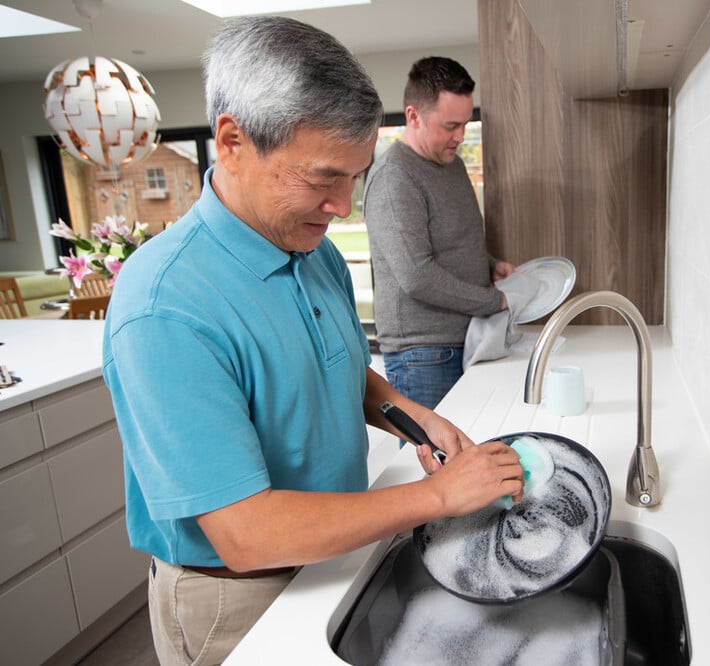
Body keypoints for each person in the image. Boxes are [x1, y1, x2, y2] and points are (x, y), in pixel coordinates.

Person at [102, 17, 524, 666]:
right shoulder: (165, 305)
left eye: (352, 178)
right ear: (232, 141)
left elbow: (338, 371)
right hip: (236, 590)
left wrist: (417, 419)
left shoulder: (311, 251)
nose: (343, 206)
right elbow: (245, 533)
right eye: (324, 178)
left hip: (331, 547)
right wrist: (437, 497)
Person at [364, 56, 516, 409]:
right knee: (437, 463)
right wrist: (495, 301)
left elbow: (451, 240)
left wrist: (489, 265)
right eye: (450, 126)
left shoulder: (453, 165)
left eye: (464, 124)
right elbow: (417, 276)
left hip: (467, 340)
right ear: (413, 115)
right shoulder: (395, 177)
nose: (460, 137)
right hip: (424, 356)